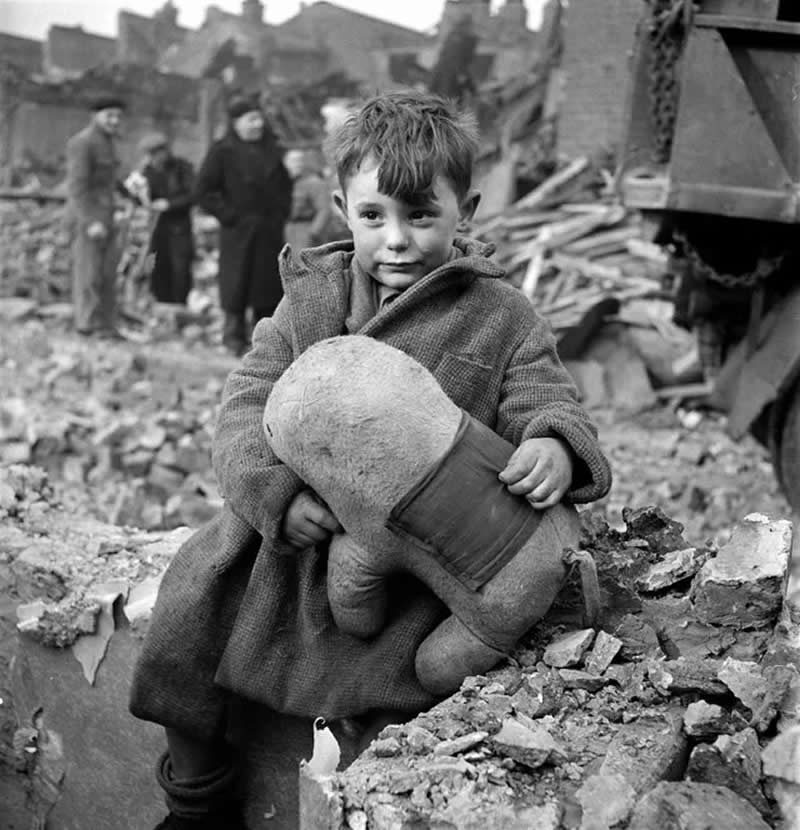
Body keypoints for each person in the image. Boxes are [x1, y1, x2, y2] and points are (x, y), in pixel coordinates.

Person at [130, 91, 613, 829]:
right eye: (374, 216)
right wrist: (274, 494)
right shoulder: (308, 302)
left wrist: (550, 441)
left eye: (422, 216)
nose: (396, 241)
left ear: (467, 210)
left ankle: (353, 795)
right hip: (291, 540)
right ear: (340, 208)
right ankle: (197, 798)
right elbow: (243, 404)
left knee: (391, 678)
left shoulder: (499, 314)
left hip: (410, 558)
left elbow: (544, 392)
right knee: (192, 608)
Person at [193, 95, 292, 356]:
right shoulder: (222, 151)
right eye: (251, 120)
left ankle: (265, 342)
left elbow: (284, 186)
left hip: (269, 229)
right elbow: (204, 191)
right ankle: (233, 338)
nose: (257, 125)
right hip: (239, 230)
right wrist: (230, 216)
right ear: (236, 123)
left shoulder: (271, 149)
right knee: (237, 284)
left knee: (267, 287)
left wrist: (281, 213)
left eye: (259, 119)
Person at [64, 94, 127, 338]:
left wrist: (128, 192)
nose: (114, 120)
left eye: (118, 116)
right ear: (95, 116)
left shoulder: (109, 142)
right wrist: (90, 221)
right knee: (88, 273)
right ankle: (86, 325)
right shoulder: (83, 143)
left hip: (108, 216)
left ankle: (105, 325)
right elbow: (77, 187)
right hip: (88, 218)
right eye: (109, 115)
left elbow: (110, 181)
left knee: (108, 274)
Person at [137, 132, 195, 305]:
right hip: (156, 229)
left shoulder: (182, 168)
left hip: (179, 227)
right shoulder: (147, 172)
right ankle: (160, 302)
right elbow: (140, 197)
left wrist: (169, 204)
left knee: (181, 268)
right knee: (157, 267)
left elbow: (193, 194)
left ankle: (179, 304)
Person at [282, 147, 335, 250]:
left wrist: (313, 233)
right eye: (293, 161)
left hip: (303, 229)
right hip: (283, 229)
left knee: (300, 263)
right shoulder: (280, 183)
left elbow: (325, 210)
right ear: (285, 163)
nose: (297, 164)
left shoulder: (314, 183)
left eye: (300, 161)